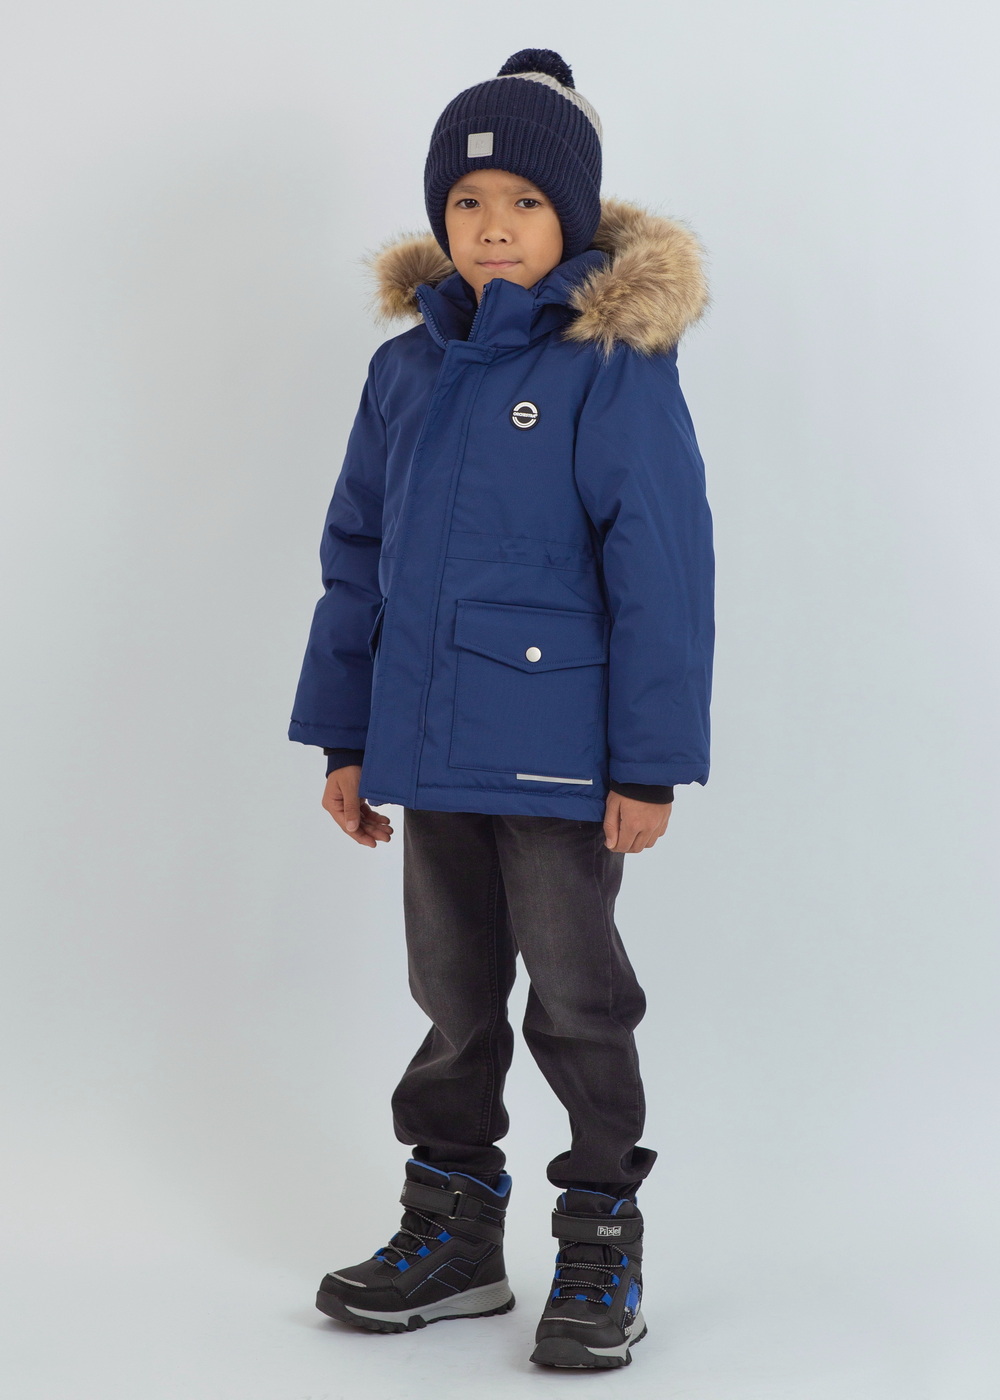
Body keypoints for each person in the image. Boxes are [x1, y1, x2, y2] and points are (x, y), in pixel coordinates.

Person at [288, 48, 714, 1370]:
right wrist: (347, 736)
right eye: (468, 203)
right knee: (453, 997)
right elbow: (358, 554)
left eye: (524, 203)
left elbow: (662, 564)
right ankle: (455, 1231)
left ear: (571, 217)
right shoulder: (406, 371)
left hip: (563, 762)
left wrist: (648, 764)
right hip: (430, 753)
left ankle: (600, 1233)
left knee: (577, 1001)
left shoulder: (612, 365)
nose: (492, 227)